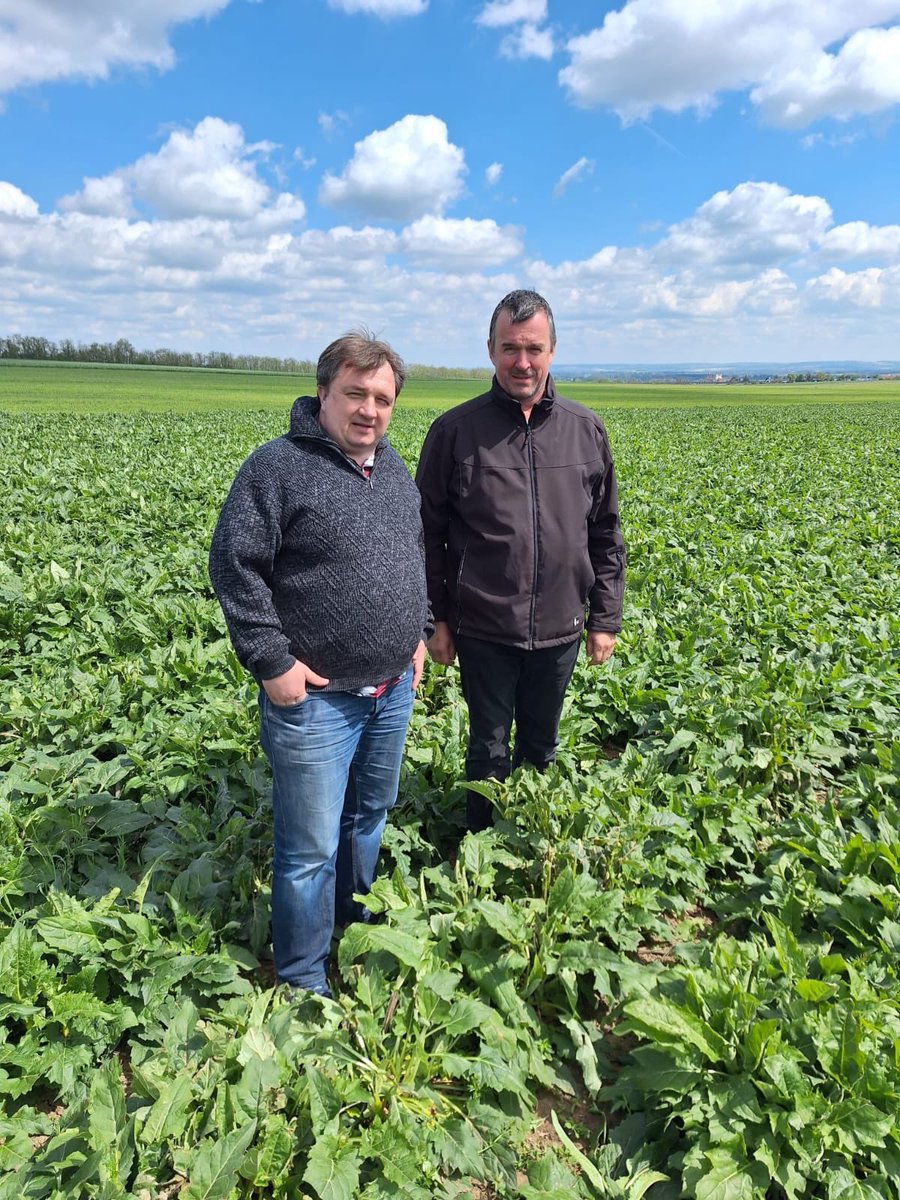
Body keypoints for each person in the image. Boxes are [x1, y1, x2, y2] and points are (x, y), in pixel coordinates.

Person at [209, 331, 430, 997]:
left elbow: (414, 557)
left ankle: (354, 934)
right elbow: (234, 565)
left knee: (368, 820)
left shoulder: (392, 469)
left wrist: (417, 632)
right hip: (316, 701)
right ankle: (304, 982)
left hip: (391, 691)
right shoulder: (276, 468)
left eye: (383, 398)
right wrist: (271, 661)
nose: (369, 409)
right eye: (355, 393)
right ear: (324, 393)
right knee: (308, 850)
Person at [415, 290, 625, 832]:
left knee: (542, 744)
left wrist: (605, 617)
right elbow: (426, 535)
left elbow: (604, 531)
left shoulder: (585, 429)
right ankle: (482, 852)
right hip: (484, 626)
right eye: (510, 347)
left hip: (560, 626)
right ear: (490, 350)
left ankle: (532, 842)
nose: (522, 362)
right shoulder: (455, 432)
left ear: (553, 351)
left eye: (534, 348)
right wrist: (433, 619)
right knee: (487, 748)